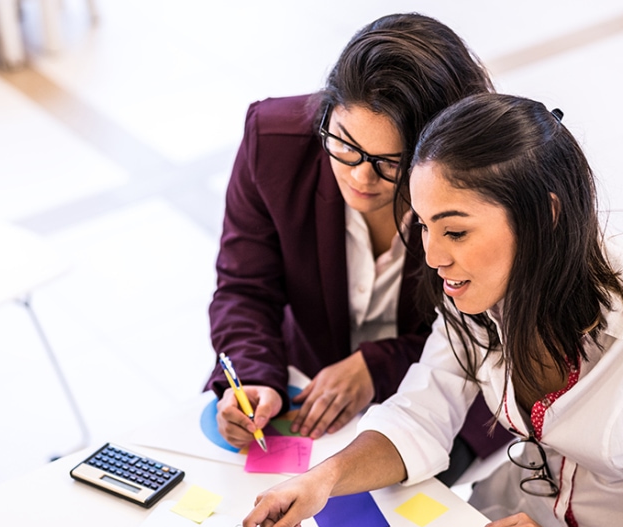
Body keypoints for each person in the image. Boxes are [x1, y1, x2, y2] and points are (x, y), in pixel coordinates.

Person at [240, 93, 623, 527]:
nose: (432, 256)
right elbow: (420, 414)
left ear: (544, 216)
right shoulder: (479, 297)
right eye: (424, 226)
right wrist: (321, 482)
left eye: (455, 231)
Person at [204, 13, 511, 484]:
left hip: (448, 399)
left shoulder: (480, 186)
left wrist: (377, 366)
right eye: (344, 145)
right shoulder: (275, 141)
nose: (360, 178)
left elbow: (487, 325)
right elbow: (245, 287)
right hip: (313, 391)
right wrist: (251, 377)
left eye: (391, 163)